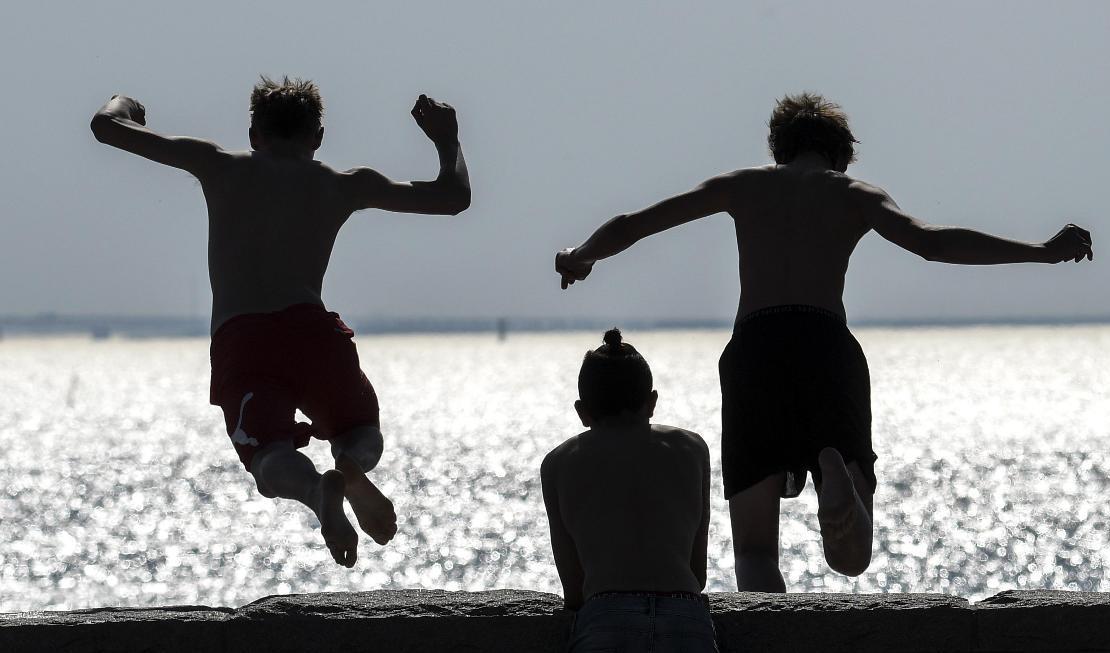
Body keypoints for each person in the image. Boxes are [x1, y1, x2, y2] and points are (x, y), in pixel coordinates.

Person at [554, 92, 1093, 592]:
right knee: (852, 560)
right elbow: (932, 243)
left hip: (756, 347)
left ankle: (776, 640)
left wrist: (582, 255)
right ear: (840, 154)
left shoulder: (742, 184)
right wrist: (1043, 251)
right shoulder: (854, 194)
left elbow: (635, 223)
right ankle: (839, 487)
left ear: (779, 147)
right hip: (825, 344)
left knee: (756, 552)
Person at [91, 76, 471, 567]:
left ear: (254, 133)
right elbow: (452, 197)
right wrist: (448, 139)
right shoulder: (344, 185)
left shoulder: (218, 165)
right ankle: (351, 464)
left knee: (268, 457)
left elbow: (106, 125)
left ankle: (317, 492)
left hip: (244, 339)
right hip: (314, 331)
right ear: (317, 137)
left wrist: (128, 103)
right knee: (361, 431)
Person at [541, 329, 717, 652]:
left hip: (605, 619)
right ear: (652, 402)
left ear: (582, 412)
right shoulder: (693, 450)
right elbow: (697, 573)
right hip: (685, 617)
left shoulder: (558, 464)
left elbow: (574, 591)